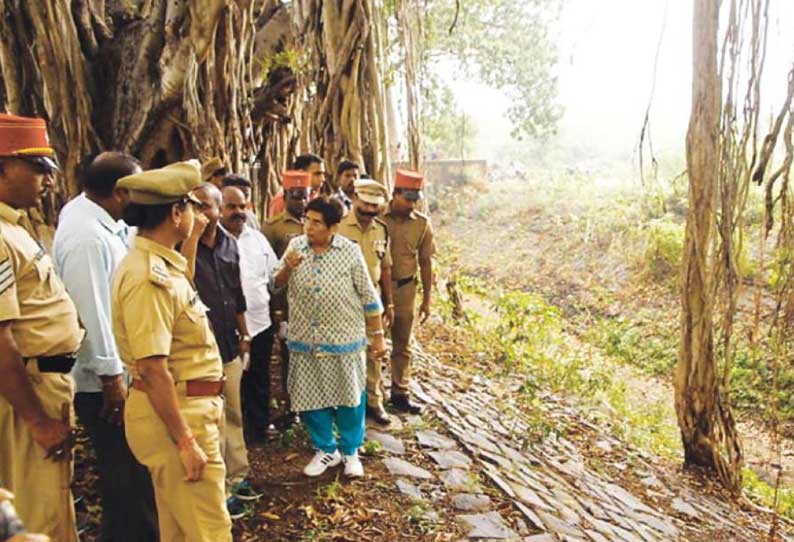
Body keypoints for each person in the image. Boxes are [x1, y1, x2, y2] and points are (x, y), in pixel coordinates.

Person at [111, 160, 232, 542]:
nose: (199, 214)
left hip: (185, 409)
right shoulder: (150, 278)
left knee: (181, 530)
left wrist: (191, 237)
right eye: (192, 207)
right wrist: (185, 441)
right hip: (177, 416)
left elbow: (185, 292)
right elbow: (152, 368)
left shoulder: (163, 264)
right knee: (210, 531)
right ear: (175, 212)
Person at [52, 152, 158, 542]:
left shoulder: (101, 222)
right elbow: (92, 311)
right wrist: (113, 376)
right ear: (119, 192)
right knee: (125, 472)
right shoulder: (85, 237)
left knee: (128, 472)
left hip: (116, 374)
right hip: (103, 383)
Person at [0, 113, 83, 542]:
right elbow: (0, 341)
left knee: (51, 504)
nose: (47, 180)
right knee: (36, 514)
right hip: (27, 391)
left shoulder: (15, 227)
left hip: (44, 382)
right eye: (35, 168)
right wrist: (36, 419)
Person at [272, 197, 386, 478]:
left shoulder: (349, 251)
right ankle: (326, 449)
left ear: (333, 227)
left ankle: (350, 452)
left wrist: (379, 335)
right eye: (306, 220)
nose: (308, 227)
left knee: (350, 399)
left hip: (344, 339)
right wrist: (288, 267)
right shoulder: (295, 247)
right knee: (310, 398)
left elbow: (369, 297)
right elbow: (275, 284)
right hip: (305, 340)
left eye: (316, 222)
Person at [182, 182, 258, 517]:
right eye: (193, 207)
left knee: (233, 413)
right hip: (199, 352)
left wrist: (245, 335)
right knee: (209, 421)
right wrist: (191, 240)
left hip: (229, 344)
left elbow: (236, 292)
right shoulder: (183, 247)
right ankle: (219, 488)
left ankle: (239, 477)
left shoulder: (229, 244)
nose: (200, 213)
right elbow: (183, 284)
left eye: (206, 207)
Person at [220, 186, 278, 444]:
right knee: (233, 381)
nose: (238, 212)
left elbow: (273, 276)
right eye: (231, 207)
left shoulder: (257, 239)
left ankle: (260, 425)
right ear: (220, 209)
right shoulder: (211, 241)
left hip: (260, 321)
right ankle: (234, 433)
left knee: (259, 376)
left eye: (242, 206)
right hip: (228, 326)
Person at [338, 179, 394, 425]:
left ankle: (374, 400)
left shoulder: (380, 229)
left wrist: (389, 303)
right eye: (366, 204)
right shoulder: (338, 226)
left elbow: (386, 267)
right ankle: (346, 403)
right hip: (343, 300)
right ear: (354, 199)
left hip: (372, 300)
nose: (370, 210)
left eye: (375, 206)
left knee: (375, 352)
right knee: (345, 351)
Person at [381, 169, 435, 415]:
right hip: (377, 289)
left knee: (403, 344)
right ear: (395, 194)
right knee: (372, 342)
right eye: (407, 198)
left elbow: (426, 262)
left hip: (405, 289)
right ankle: (370, 396)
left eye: (415, 199)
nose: (411, 204)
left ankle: (400, 392)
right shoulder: (378, 218)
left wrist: (427, 300)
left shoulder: (422, 223)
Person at [263, 170, 311, 419]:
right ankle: (291, 405)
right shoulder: (273, 228)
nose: (301, 202)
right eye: (295, 196)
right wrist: (276, 310)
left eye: (304, 196)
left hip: (313, 300)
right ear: (286, 196)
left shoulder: (315, 223)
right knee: (289, 355)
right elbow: (270, 270)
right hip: (287, 302)